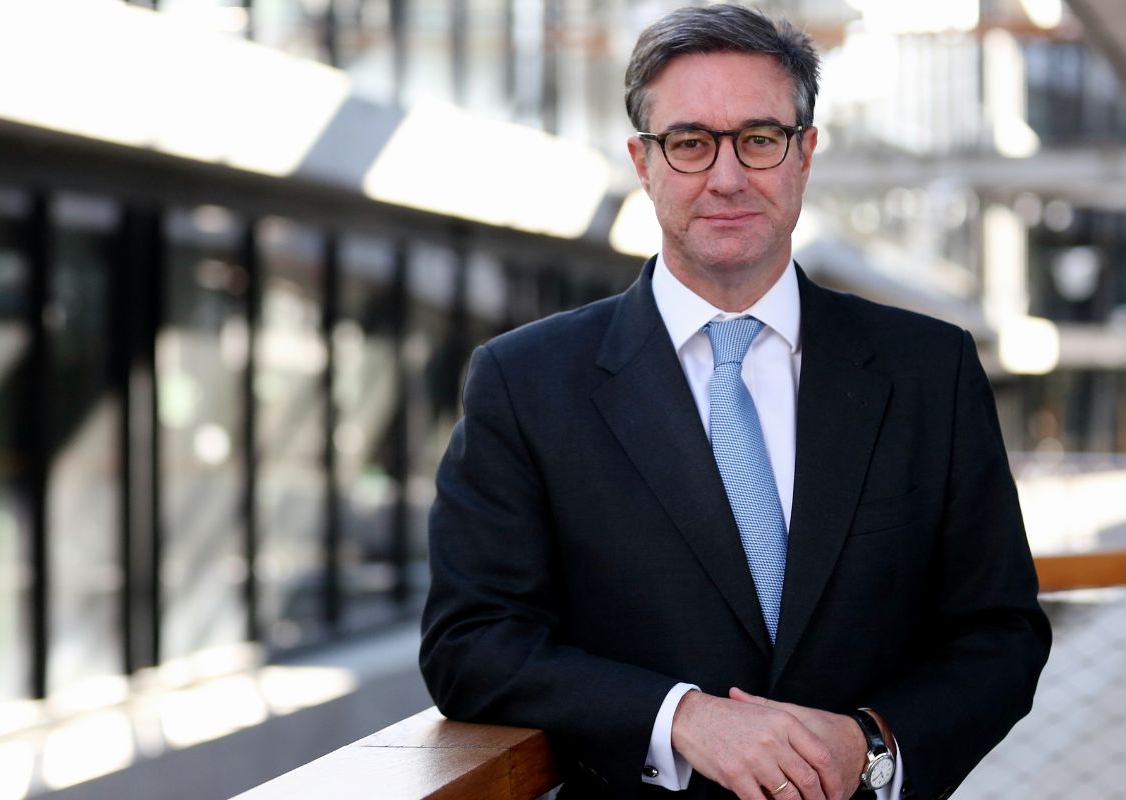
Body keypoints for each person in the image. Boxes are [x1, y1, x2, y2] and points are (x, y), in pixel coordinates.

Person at [419, 5, 1051, 799]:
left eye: (758, 139)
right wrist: (679, 716)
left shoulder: (931, 370)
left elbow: (1000, 631)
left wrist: (871, 743)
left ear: (805, 154)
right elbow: (470, 643)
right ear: (643, 162)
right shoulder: (525, 382)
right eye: (689, 143)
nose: (726, 177)